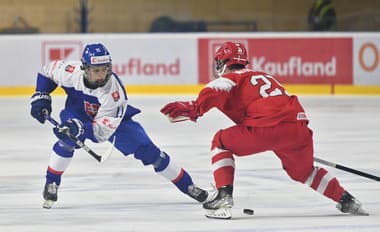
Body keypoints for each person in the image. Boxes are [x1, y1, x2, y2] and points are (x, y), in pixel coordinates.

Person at [160, 41, 368, 219]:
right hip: (297, 129)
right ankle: (347, 199)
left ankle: (223, 198)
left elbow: (216, 87)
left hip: (266, 129)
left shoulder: (232, 78)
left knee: (220, 142)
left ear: (223, 63)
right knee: (304, 172)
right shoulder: (263, 75)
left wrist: (196, 107)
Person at [30, 43, 209, 209]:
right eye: (96, 70)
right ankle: (52, 181)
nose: (102, 75)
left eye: (105, 69)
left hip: (114, 122)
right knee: (67, 140)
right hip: (78, 111)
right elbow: (47, 72)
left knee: (151, 153)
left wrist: (81, 128)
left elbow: (101, 133)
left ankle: (188, 185)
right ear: (84, 68)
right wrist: (41, 95)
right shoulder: (70, 71)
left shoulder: (114, 93)